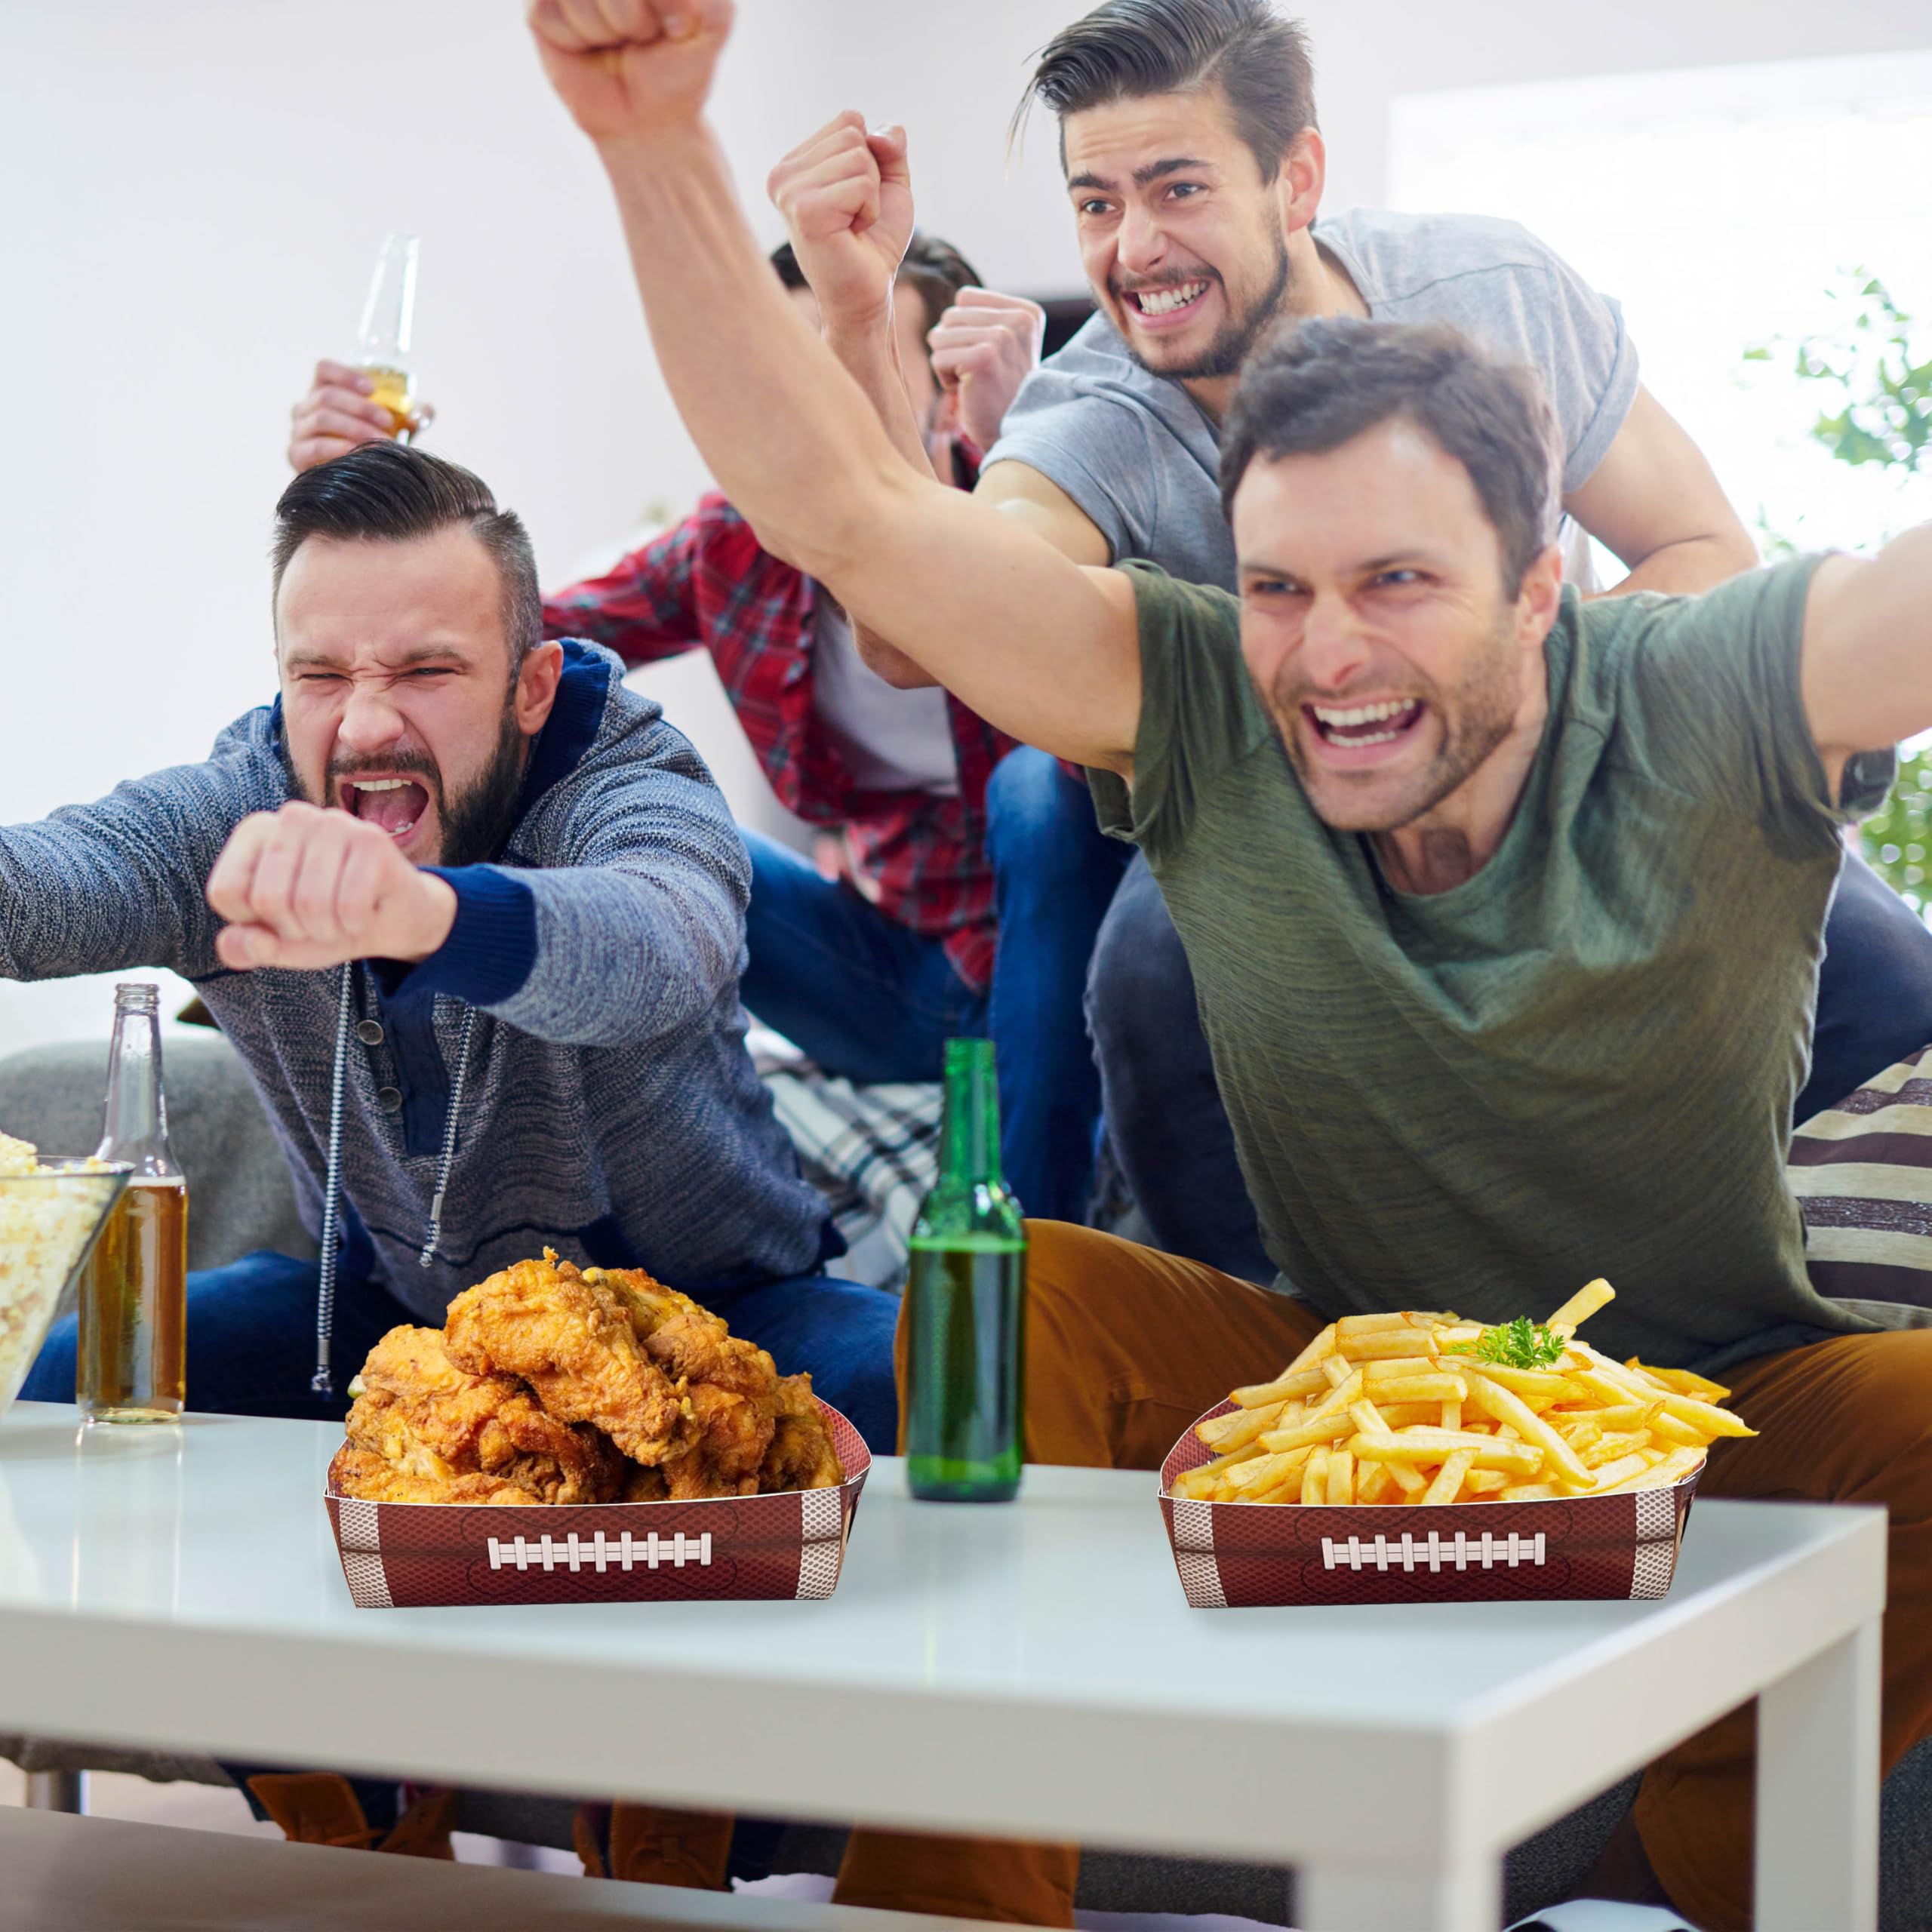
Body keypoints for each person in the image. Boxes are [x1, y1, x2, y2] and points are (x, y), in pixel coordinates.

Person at [525, 5, 1932, 1927]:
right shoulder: (1198, 696)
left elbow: (1889, 605)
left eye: (1396, 584)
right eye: (1278, 586)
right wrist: (647, 142)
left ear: (1537, 587)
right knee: (1006, 1286)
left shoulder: (1691, 681)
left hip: (1702, 1399)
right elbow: (849, 516)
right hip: (1336, 1384)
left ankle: (1689, 1837)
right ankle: (950, 1897)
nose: (1327, 653)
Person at [775, 0, 1932, 1275]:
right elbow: (916, 632)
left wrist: (1500, 716)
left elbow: (1703, 549)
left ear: (1299, 178)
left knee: (1882, 967)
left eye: (1177, 188)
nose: (1135, 247)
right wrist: (854, 319)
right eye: (1096, 204)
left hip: (1553, 742)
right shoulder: (1093, 413)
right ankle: (1276, 1341)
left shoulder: (1491, 290)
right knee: (1145, 976)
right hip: (1278, 811)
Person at [14, 441, 897, 1456]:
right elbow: (50, 881)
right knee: (60, 1378)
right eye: (321, 675)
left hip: (724, 1313)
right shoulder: (236, 807)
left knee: (900, 1383)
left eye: (425, 670)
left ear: (531, 686)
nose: (365, 723)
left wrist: (416, 912)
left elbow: (663, 947)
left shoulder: (630, 774)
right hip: (407, 1321)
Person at [285, 237, 1100, 1224]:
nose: (818, 404)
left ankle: (1041, 1251)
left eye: (857, 359)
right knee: (668, 825)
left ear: (939, 386)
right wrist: (385, 515)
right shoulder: (736, 546)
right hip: (888, 987)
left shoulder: (1032, 502)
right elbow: (492, 647)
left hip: (1058, 978)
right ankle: (475, 1157)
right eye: (790, 368)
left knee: (1039, 788)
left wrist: (1044, 432)